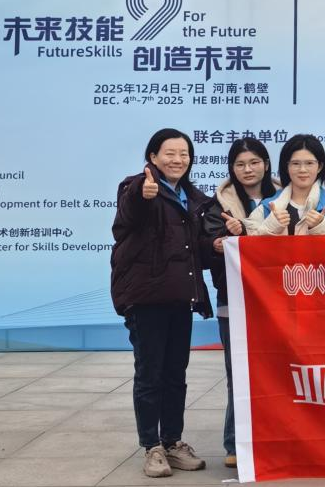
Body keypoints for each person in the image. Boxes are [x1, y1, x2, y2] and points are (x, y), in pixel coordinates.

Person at [110, 128, 212, 478]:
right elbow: (131, 211)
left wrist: (218, 243)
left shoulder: (192, 198)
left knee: (175, 374)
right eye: (170, 153)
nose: (178, 159)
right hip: (146, 299)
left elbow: (195, 249)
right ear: (153, 157)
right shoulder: (137, 187)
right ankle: (151, 446)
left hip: (179, 299)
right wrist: (143, 192)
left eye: (184, 154)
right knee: (150, 374)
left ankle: (172, 441)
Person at [200, 137, 277, 468]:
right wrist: (219, 244)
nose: (248, 169)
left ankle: (278, 438)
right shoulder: (218, 205)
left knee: (278, 372)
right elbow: (205, 248)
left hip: (278, 302)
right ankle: (235, 443)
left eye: (254, 162)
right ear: (232, 168)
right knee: (240, 372)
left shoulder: (287, 197)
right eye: (240, 164)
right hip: (234, 299)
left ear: (266, 164)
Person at [247, 134, 325, 236]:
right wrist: (270, 226)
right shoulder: (265, 208)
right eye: (295, 163)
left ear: (320, 167)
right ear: (286, 167)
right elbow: (246, 244)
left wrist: (322, 228)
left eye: (309, 163)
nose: (302, 170)